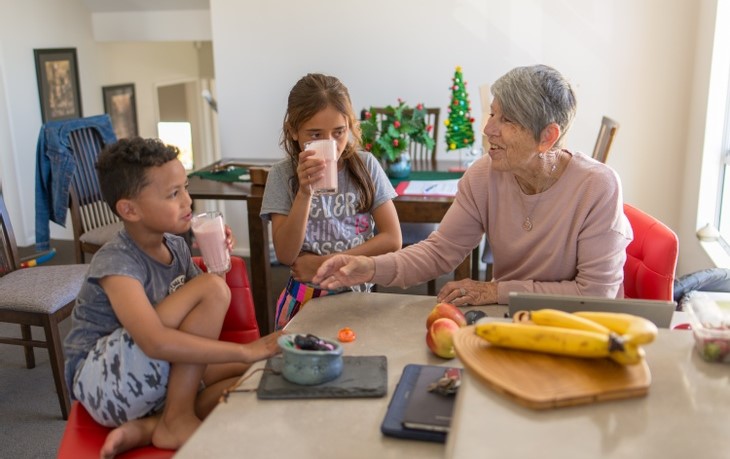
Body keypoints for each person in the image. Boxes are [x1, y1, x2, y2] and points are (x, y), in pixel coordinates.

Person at [313, 65, 633, 305]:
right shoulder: (484, 176)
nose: (488, 128)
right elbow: (439, 253)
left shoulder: (598, 186)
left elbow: (594, 294)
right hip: (514, 320)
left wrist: (497, 290)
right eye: (492, 114)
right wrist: (368, 267)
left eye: (506, 120)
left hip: (580, 328)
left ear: (547, 137)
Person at [62, 137, 282, 458]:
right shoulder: (116, 261)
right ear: (129, 209)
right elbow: (153, 342)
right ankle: (176, 418)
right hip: (105, 381)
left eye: (186, 188)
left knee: (252, 372)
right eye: (173, 194)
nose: (187, 201)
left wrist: (217, 261)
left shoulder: (177, 246)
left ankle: (151, 427)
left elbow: (204, 315)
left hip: (151, 375)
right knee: (238, 345)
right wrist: (245, 349)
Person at [261, 73, 402, 329]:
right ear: (293, 131)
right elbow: (285, 253)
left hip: (357, 295)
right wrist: (304, 193)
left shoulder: (365, 166)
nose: (331, 145)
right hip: (304, 300)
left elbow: (393, 238)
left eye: (339, 132)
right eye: (315, 135)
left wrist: (330, 262)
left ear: (349, 125)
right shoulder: (282, 175)